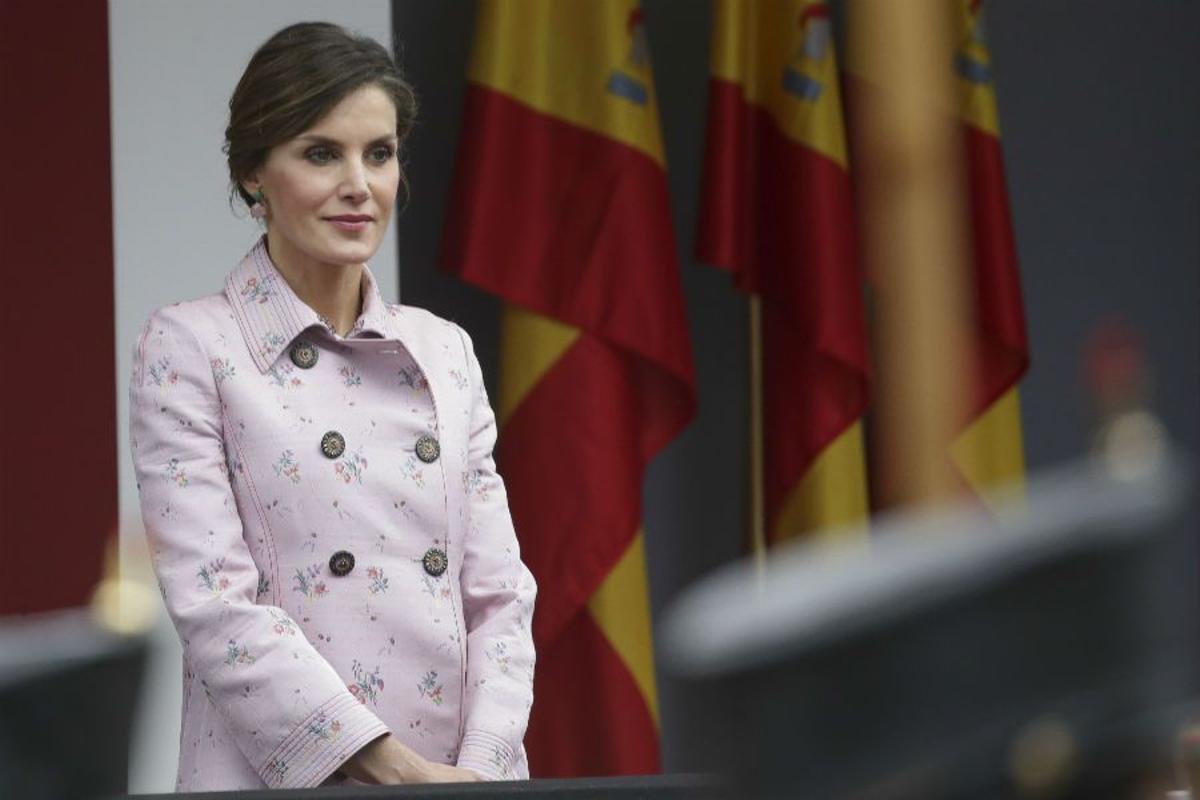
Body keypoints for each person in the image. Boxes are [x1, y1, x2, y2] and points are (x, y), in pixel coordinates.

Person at [129, 21, 536, 791]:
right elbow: (217, 607)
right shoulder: (191, 348)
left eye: (378, 154)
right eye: (322, 153)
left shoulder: (444, 350)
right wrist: (395, 771)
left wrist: (479, 773)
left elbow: (500, 595)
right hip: (281, 777)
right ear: (254, 174)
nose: (360, 184)